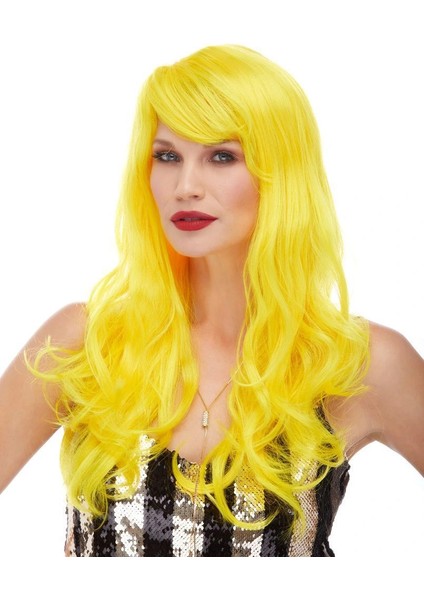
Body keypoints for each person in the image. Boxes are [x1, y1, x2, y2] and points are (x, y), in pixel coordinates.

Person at [0, 44, 423, 558]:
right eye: (167, 156)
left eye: (222, 157)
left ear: (281, 172)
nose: (185, 186)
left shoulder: (358, 364)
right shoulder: (88, 344)